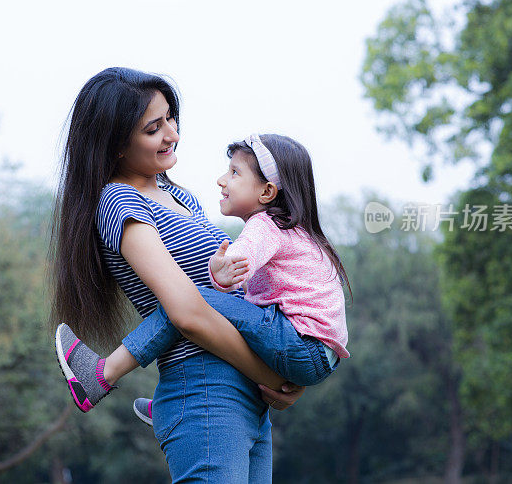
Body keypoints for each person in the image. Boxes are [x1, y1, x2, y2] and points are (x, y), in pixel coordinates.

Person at [51, 67, 303, 483]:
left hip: (245, 398)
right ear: (115, 144)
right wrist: (271, 376)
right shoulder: (120, 202)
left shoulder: (178, 195)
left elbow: (228, 292)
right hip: (205, 388)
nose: (173, 134)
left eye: (171, 118)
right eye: (154, 128)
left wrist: (286, 366)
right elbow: (186, 310)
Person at [56, 133, 350, 427]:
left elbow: (239, 260)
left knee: (188, 298)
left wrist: (221, 272)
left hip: (298, 343)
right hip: (316, 353)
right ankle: (167, 407)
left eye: (234, 173)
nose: (222, 180)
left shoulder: (266, 226)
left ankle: (103, 374)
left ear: (267, 192)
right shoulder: (296, 232)